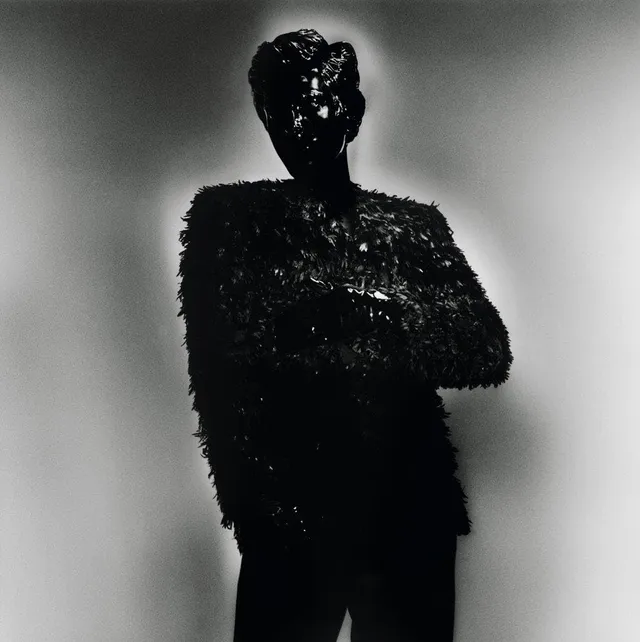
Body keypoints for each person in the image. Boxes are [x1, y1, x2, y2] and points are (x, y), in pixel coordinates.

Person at [178, 28, 512, 642]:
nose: (295, 125)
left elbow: (484, 349)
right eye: (277, 110)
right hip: (295, 519)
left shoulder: (414, 229)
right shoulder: (231, 221)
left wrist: (373, 313)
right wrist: (257, 513)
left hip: (411, 516)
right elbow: (220, 374)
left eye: (312, 102)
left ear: (350, 113)